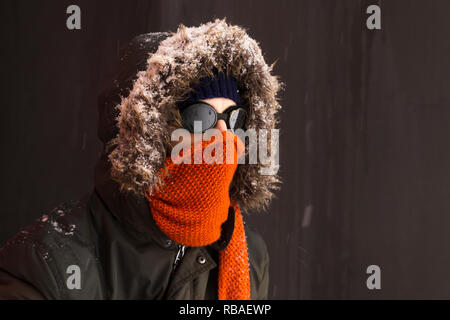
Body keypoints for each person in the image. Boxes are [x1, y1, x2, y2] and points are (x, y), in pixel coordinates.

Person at [0, 18, 282, 300]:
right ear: (150, 133)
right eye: (200, 117)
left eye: (235, 119)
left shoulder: (247, 258)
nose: (223, 135)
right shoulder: (46, 267)